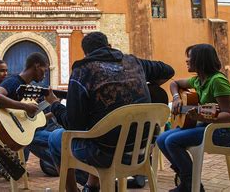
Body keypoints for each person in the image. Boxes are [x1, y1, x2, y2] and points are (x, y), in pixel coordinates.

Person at [45, 31, 175, 192]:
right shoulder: (134, 62)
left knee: (55, 138)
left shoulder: (83, 70)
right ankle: (92, 186)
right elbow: (168, 70)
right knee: (100, 129)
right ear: (109, 46)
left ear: (86, 53)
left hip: (105, 154)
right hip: (141, 150)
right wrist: (150, 87)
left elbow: (73, 125)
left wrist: (54, 104)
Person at [156, 44, 230, 192]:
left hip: (225, 133)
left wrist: (203, 117)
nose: (186, 60)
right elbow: (174, 83)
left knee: (172, 141)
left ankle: (189, 184)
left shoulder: (217, 81)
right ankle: (189, 181)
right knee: (161, 139)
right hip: (207, 127)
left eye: (190, 57)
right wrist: (176, 98)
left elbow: (228, 115)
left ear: (201, 60)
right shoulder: (197, 81)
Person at [0, 52, 59, 178]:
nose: (45, 74)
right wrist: (25, 106)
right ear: (36, 66)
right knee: (60, 140)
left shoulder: (29, 87)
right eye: (44, 70)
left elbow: (32, 118)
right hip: (13, 132)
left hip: (24, 131)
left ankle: (64, 167)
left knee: (58, 135)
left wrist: (56, 109)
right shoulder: (14, 81)